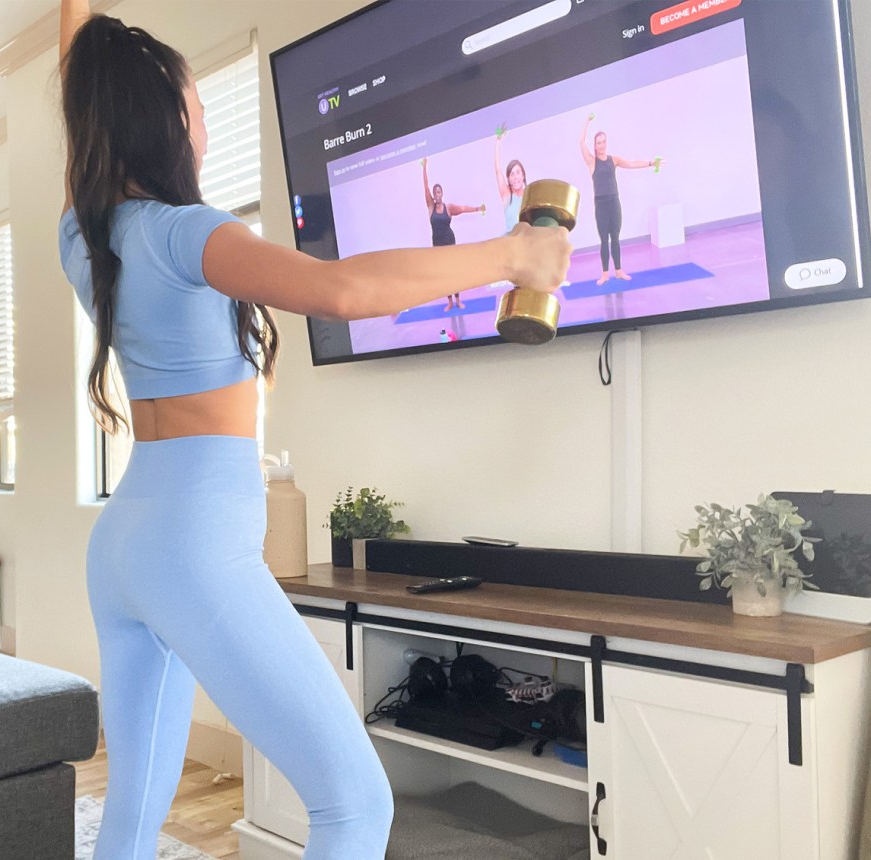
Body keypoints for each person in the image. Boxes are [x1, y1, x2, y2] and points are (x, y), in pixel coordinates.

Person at [57, 3, 572, 859]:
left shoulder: (82, 234)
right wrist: (511, 256)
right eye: (197, 102)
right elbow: (338, 292)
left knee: (133, 810)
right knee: (355, 804)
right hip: (193, 542)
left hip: (123, 544)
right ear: (168, 118)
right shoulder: (188, 234)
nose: (206, 119)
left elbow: (84, 85)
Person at [580, 113, 660, 286]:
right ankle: (604, 274)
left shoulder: (613, 160)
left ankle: (618, 271)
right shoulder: (591, 162)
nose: (601, 145)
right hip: (601, 204)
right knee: (604, 239)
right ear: (595, 145)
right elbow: (581, 143)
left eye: (604, 141)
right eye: (598, 142)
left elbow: (632, 164)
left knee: (615, 237)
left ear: (606, 143)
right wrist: (586, 122)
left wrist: (651, 163)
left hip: (614, 202)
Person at [422, 157, 485, 311]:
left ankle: (458, 300)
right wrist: (424, 168)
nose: (436, 194)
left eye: (439, 192)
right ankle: (449, 302)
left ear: (442, 193)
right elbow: (425, 187)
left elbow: (463, 208)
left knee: (454, 273)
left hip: (450, 242)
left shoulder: (448, 208)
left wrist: (477, 208)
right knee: (444, 275)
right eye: (434, 192)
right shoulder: (430, 207)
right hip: (437, 245)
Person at [493, 123, 527, 233]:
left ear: (523, 175)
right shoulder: (507, 195)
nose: (515, 177)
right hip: (509, 243)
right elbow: (498, 170)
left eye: (517, 173)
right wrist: (498, 142)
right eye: (512, 174)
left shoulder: (529, 194)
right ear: (508, 179)